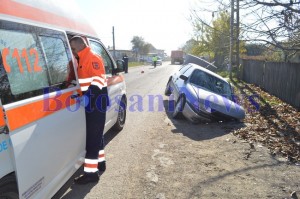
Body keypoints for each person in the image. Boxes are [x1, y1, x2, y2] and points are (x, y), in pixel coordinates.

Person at [69, 36, 109, 184]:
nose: (72, 52)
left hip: (96, 103)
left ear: (80, 46)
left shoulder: (91, 57)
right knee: (97, 136)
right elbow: (86, 80)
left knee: (92, 140)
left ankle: (91, 174)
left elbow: (98, 80)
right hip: (93, 102)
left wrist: (87, 97)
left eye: (73, 48)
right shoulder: (82, 58)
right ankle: (101, 163)